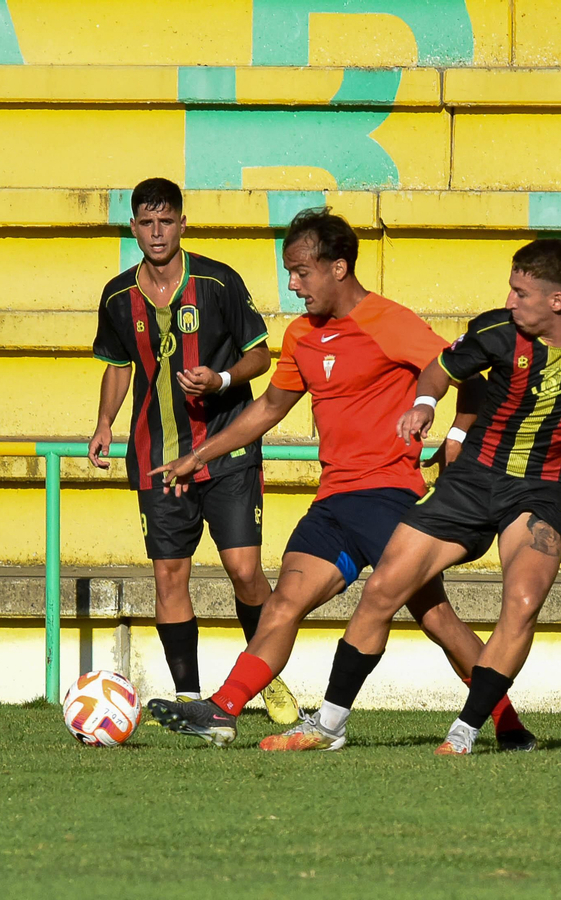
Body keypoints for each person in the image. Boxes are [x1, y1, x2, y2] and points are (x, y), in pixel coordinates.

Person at [144, 208, 534, 751]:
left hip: (390, 496)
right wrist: (198, 455)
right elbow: (269, 407)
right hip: (333, 501)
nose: (293, 284)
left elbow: (466, 376)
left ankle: (508, 723)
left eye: (302, 272)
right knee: (283, 604)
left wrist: (456, 438)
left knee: (436, 618)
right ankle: (223, 709)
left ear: (339, 268)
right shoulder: (301, 336)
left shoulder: (389, 322)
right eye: (290, 272)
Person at [89, 177, 298, 724]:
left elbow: (261, 356)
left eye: (166, 221)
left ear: (183, 223)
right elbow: (118, 365)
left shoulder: (218, 281)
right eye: (146, 222)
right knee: (168, 577)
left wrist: (222, 378)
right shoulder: (117, 296)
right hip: (156, 455)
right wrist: (104, 423)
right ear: (133, 228)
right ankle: (189, 699)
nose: (157, 232)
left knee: (245, 571)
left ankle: (266, 677)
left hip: (227, 450)